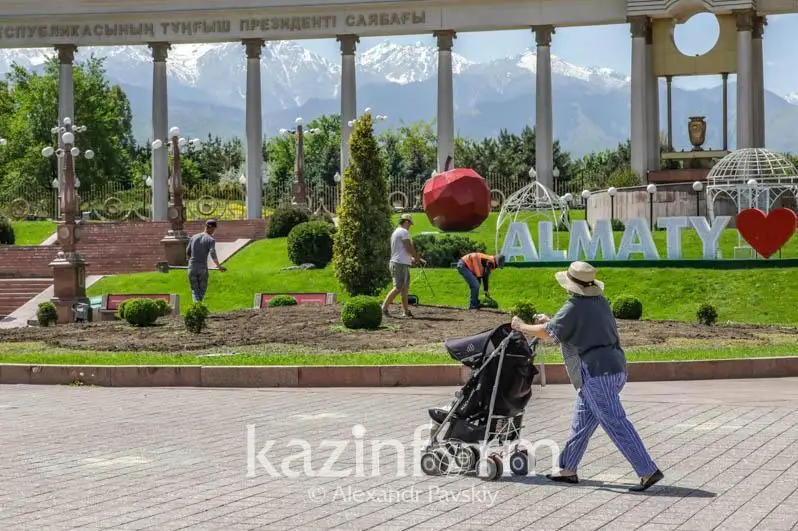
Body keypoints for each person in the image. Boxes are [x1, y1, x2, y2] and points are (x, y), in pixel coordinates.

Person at [510, 261, 664, 492]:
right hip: (615, 368)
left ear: (571, 285)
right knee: (582, 422)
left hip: (596, 373)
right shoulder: (599, 302)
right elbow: (571, 328)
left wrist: (522, 326)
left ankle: (647, 470)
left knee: (615, 422)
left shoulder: (575, 305)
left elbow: (547, 334)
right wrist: (551, 321)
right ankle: (567, 469)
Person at [382, 214, 423, 318]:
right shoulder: (403, 232)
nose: (410, 226)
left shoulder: (397, 232)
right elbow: (408, 247)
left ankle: (406, 311)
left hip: (400, 263)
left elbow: (401, 251)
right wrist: (417, 257)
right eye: (410, 224)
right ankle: (384, 308)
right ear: (406, 222)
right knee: (398, 287)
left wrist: (412, 259)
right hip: (399, 264)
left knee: (404, 288)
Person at [186, 219, 226, 303]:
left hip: (191, 267)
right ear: (211, 228)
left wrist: (190, 264)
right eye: (214, 229)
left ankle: (197, 308)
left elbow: (188, 252)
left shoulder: (194, 237)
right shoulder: (211, 240)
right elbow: (212, 253)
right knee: (202, 290)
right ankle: (198, 306)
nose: (214, 231)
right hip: (202, 268)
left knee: (195, 290)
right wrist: (219, 267)